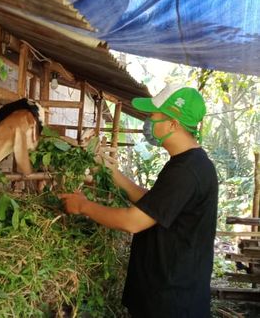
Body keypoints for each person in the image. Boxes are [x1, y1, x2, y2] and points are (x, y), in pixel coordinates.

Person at [59, 84, 218, 317]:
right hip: (167, 295)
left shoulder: (186, 171)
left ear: (173, 124)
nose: (148, 122)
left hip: (172, 303)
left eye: (153, 116)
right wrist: (114, 174)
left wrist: (83, 205)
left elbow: (134, 221)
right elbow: (156, 204)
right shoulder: (188, 163)